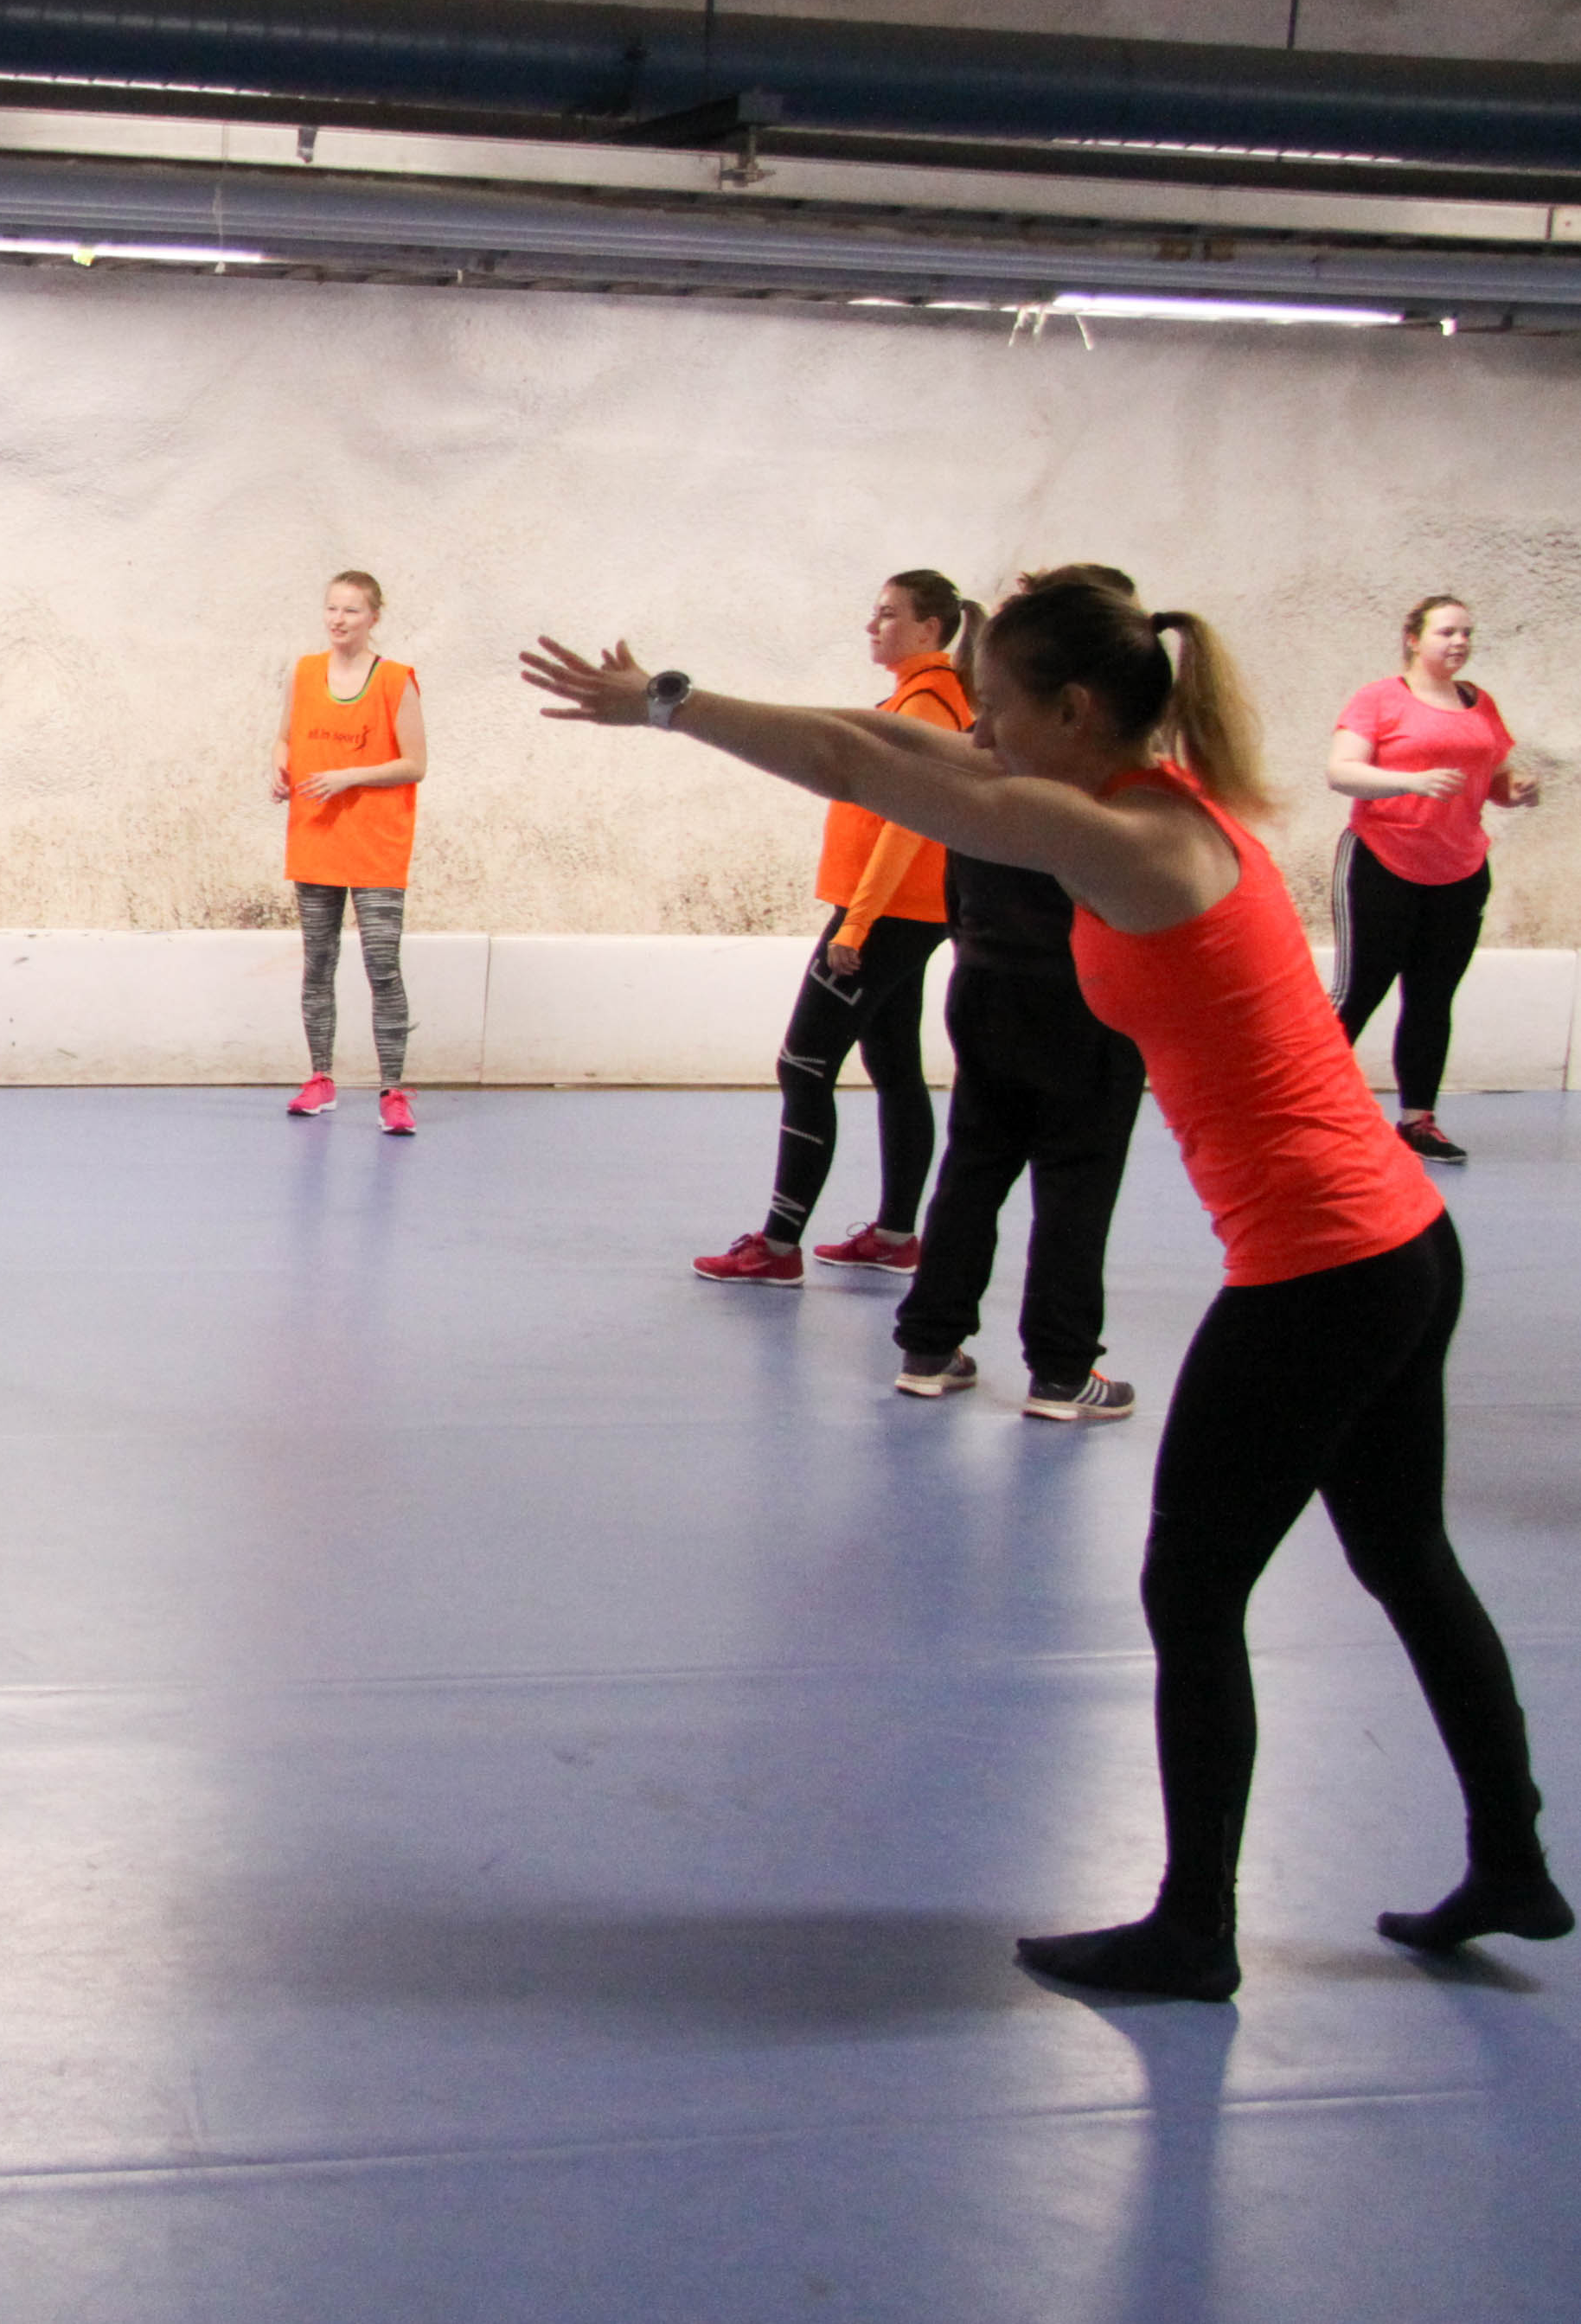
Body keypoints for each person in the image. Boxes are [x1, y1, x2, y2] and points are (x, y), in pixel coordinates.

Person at [527, 581, 1563, 2001]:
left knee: (1190, 1588)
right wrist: (684, 694)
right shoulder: (1148, 797)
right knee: (1400, 1555)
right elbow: (891, 741)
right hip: (1397, 1245)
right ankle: (1508, 1858)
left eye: (999, 707)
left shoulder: (1120, 841)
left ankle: (1193, 1926)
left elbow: (854, 766)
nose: (977, 732)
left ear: (1071, 711)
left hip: (1320, 1270)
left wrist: (665, 706)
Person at [893, 567, 1151, 1423]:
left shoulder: (988, 751)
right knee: (1077, 1182)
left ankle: (929, 1346)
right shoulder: (1104, 773)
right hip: (1083, 999)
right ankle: (1062, 1369)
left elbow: (956, 882)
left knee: (974, 1164)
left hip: (987, 982)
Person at [692, 572, 973, 1288]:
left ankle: (778, 1246)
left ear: (930, 629)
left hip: (887, 915)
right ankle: (896, 1237)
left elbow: (908, 823)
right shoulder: (918, 696)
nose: (873, 626)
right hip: (901, 913)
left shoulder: (930, 704)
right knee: (894, 1065)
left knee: (804, 1065)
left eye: (888, 614)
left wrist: (857, 923)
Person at [1328, 593, 1539, 1167]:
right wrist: (1410, 782)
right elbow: (1341, 772)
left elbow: (1495, 781)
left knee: (1431, 997)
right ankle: (1298, 1110)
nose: (1460, 641)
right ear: (1413, 639)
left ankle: (1418, 1122)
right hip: (1382, 860)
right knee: (1358, 992)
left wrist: (1517, 791)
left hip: (1459, 872)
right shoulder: (1379, 698)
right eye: (1447, 632)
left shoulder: (1480, 704)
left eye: (1466, 632)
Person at [272, 570, 432, 1135]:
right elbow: (285, 737)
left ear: (373, 618)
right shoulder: (304, 672)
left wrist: (348, 776)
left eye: (352, 611)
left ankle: (393, 1090)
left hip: (375, 843)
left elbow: (415, 763)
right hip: (316, 836)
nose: (339, 620)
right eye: (332, 608)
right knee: (318, 963)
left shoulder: (394, 680)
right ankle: (320, 1078)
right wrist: (279, 766)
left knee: (382, 966)